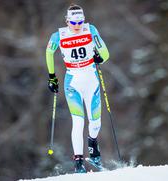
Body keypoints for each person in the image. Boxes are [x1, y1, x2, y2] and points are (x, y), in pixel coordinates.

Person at [45, 4, 109, 173]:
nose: (77, 25)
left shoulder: (90, 30)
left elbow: (105, 53)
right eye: (73, 23)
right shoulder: (58, 35)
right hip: (73, 81)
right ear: (67, 21)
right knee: (78, 121)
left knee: (95, 123)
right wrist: (52, 76)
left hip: (91, 79)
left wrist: (99, 58)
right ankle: (78, 161)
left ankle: (92, 142)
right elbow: (48, 53)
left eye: (80, 21)